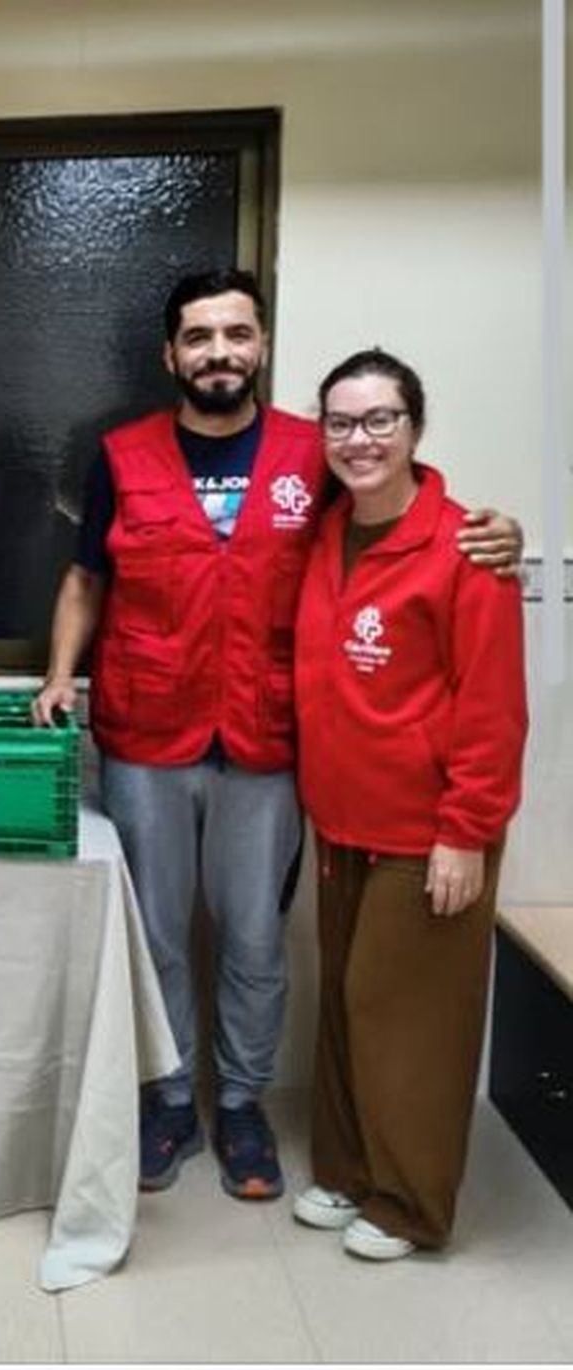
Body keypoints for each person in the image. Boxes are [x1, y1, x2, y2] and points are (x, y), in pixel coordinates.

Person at [31, 269, 521, 1202]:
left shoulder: (315, 454)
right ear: (169, 353)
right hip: (147, 732)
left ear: (261, 345)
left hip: (268, 737)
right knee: (160, 937)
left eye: (237, 334)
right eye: (199, 336)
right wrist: (61, 673)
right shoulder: (122, 455)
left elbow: (401, 517)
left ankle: (244, 1103)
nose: (219, 352)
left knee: (254, 936)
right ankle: (170, 1098)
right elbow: (85, 576)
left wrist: (497, 530)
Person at [289, 349, 526, 1260]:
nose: (360, 440)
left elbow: (494, 708)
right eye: (342, 423)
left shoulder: (467, 548)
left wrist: (466, 833)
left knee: (411, 1021)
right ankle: (350, 1174)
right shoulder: (322, 535)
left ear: (415, 429)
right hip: (342, 822)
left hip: (431, 833)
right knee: (349, 1006)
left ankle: (411, 1205)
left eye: (381, 419)